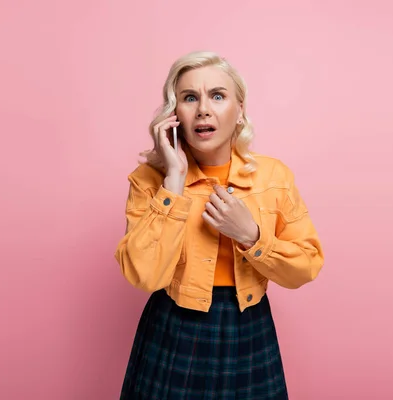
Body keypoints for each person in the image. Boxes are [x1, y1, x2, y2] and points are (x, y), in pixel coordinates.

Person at [114, 50, 324, 400]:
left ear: (239, 110)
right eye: (189, 97)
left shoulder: (274, 176)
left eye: (218, 95)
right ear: (175, 113)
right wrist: (174, 182)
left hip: (249, 327)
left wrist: (252, 237)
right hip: (173, 327)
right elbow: (144, 276)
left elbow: (306, 266)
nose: (203, 109)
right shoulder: (150, 180)